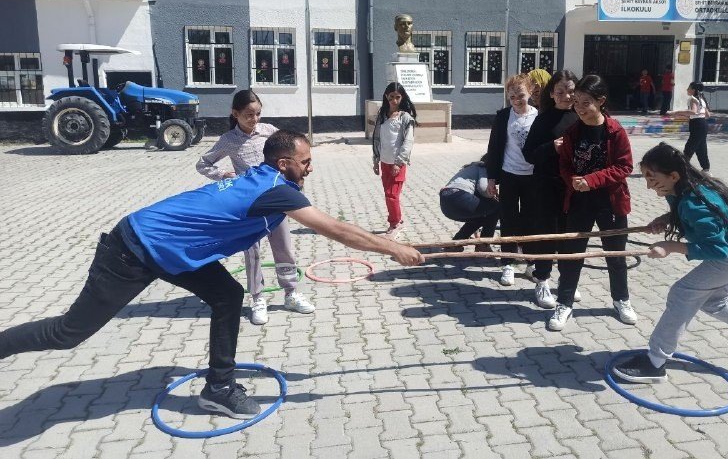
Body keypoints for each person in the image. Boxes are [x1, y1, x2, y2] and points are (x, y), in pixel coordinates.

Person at [0, 131, 425, 419]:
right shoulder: (275, 189)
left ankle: (217, 388)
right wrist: (394, 248)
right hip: (132, 249)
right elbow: (338, 230)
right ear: (284, 163)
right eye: (306, 161)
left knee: (227, 295)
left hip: (172, 250)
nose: (310, 167)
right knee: (69, 333)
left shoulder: (267, 181)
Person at [613, 143, 728, 382]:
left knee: (682, 293)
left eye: (652, 178)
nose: (648, 185)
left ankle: (655, 363)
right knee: (715, 303)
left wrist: (671, 247)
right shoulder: (682, 188)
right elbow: (691, 217)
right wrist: (668, 219)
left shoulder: (696, 202)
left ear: (673, 175)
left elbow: (717, 249)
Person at [196, 89, 314, 326]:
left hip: (276, 200)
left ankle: (290, 293)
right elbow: (203, 163)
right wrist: (223, 175)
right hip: (249, 206)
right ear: (235, 114)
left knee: (284, 248)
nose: (254, 119)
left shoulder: (269, 132)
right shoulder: (229, 140)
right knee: (253, 253)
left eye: (258, 113)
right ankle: (257, 298)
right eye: (248, 115)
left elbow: (290, 158)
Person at [551, 74, 637, 331]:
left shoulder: (615, 131)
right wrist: (573, 180)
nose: (579, 107)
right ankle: (564, 302)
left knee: (615, 254)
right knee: (572, 253)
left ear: (600, 101)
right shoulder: (572, 132)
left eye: (585, 102)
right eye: (576, 102)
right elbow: (564, 164)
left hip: (610, 201)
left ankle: (621, 299)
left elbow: (625, 166)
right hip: (579, 201)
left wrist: (592, 179)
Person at [521, 70, 580, 309]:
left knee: (570, 236)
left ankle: (567, 283)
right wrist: (551, 148)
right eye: (560, 92)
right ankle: (542, 280)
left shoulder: (582, 116)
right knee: (546, 234)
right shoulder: (544, 119)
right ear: (552, 94)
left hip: (574, 188)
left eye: (571, 91)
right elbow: (529, 154)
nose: (566, 96)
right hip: (546, 185)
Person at [486, 73, 537, 286]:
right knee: (508, 219)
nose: (517, 100)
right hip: (509, 174)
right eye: (512, 96)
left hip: (533, 176)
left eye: (521, 95)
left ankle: (531, 262)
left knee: (531, 220)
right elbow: (494, 148)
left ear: (531, 92)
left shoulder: (539, 116)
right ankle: (507, 263)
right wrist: (491, 179)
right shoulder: (503, 116)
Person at [372, 82, 416, 238]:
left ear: (402, 98)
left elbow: (408, 142)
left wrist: (399, 162)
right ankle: (398, 221)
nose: (394, 101)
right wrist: (376, 159)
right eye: (391, 97)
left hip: (398, 164)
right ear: (386, 97)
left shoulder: (405, 118)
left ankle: (394, 224)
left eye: (397, 97)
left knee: (392, 195)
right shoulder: (382, 115)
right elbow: (377, 139)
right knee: (387, 194)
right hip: (384, 162)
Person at [439, 154, 500, 245]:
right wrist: (494, 195)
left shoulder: (470, 168)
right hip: (459, 197)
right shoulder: (482, 167)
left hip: (446, 203)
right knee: (497, 208)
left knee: (481, 214)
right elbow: (484, 189)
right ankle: (484, 245)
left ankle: (456, 243)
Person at [670, 81, 711, 175]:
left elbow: (693, 112)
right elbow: (707, 115)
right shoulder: (702, 98)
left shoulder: (692, 99)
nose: (687, 90)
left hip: (697, 125)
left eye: (689, 88)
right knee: (701, 147)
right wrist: (682, 116)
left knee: (690, 147)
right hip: (703, 124)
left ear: (693, 90)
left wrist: (676, 112)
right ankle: (706, 168)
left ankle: (682, 168)